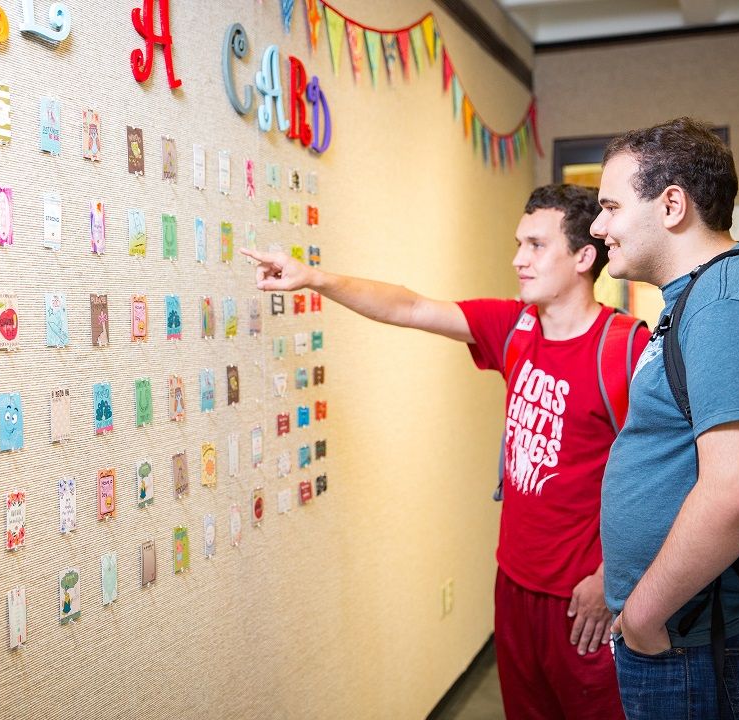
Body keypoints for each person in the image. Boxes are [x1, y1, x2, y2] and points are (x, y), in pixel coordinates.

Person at [242, 184, 648, 719]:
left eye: (534, 245)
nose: (517, 259)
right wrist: (315, 278)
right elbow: (409, 306)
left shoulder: (626, 348)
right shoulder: (515, 329)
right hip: (514, 583)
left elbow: (658, 479)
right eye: (518, 244)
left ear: (583, 257)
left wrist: (610, 578)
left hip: (584, 598)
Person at [590, 117, 739, 719]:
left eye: (611, 206)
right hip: (696, 629)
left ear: (672, 204)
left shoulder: (728, 304)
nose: (598, 227)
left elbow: (737, 492)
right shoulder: (704, 297)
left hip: (713, 640)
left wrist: (643, 616)